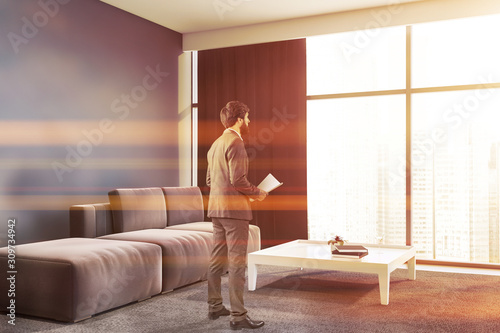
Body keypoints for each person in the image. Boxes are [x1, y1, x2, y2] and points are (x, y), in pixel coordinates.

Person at [206, 101, 267, 330]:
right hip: (235, 214)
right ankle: (238, 316)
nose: (249, 121)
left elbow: (210, 182)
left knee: (216, 260)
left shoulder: (215, 145)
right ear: (240, 119)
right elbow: (238, 180)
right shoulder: (236, 142)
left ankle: (214, 307)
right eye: (248, 118)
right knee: (237, 264)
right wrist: (258, 193)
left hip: (216, 210)